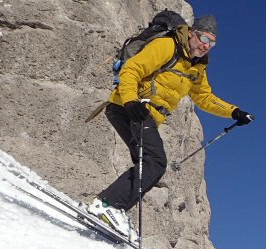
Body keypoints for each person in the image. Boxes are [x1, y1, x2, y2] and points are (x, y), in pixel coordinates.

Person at [87, 14, 253, 236]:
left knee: (148, 166)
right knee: (155, 162)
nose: (206, 45)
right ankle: (107, 205)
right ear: (192, 33)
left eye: (212, 43)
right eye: (203, 38)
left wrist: (234, 111)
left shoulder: (196, 68)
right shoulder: (168, 46)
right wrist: (130, 100)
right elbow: (132, 69)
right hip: (131, 107)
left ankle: (110, 208)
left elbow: (204, 97)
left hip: (140, 112)